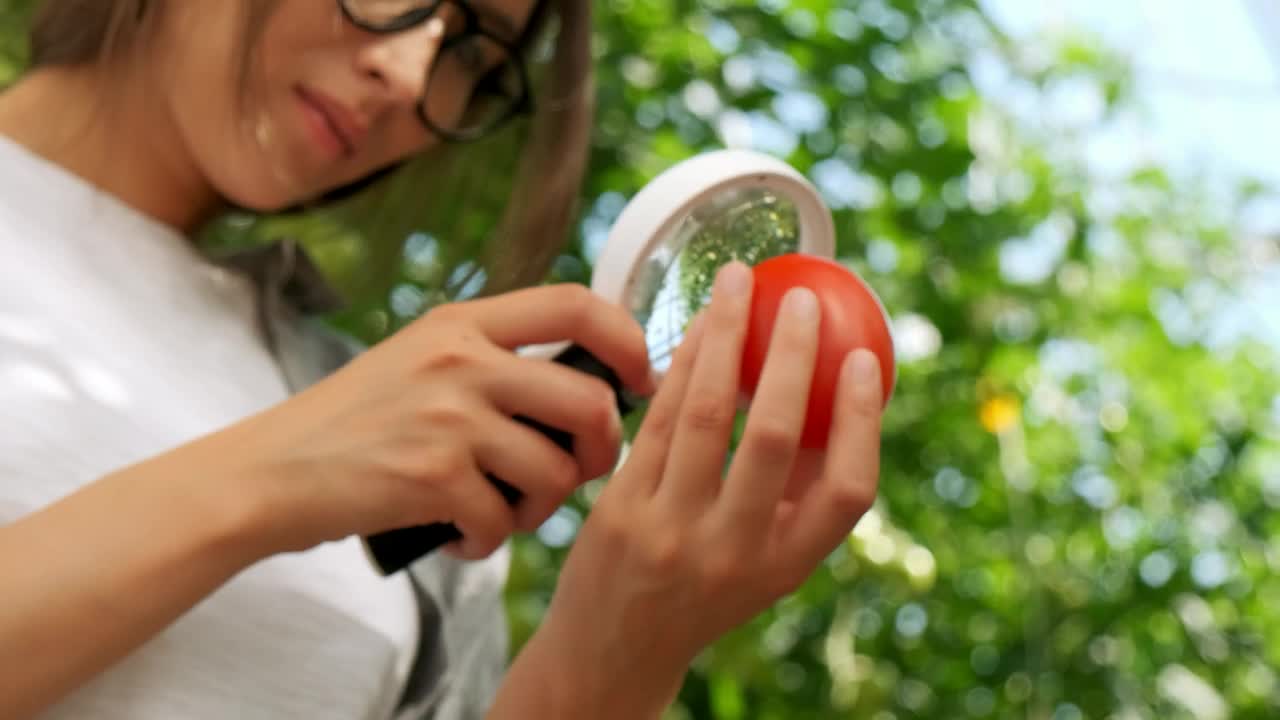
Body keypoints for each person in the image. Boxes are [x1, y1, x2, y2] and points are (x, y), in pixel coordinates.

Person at [0, 0, 886, 718]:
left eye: (471, 51)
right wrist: (269, 477)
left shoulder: (408, 445)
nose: (409, 74)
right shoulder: (360, 423)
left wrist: (616, 651)